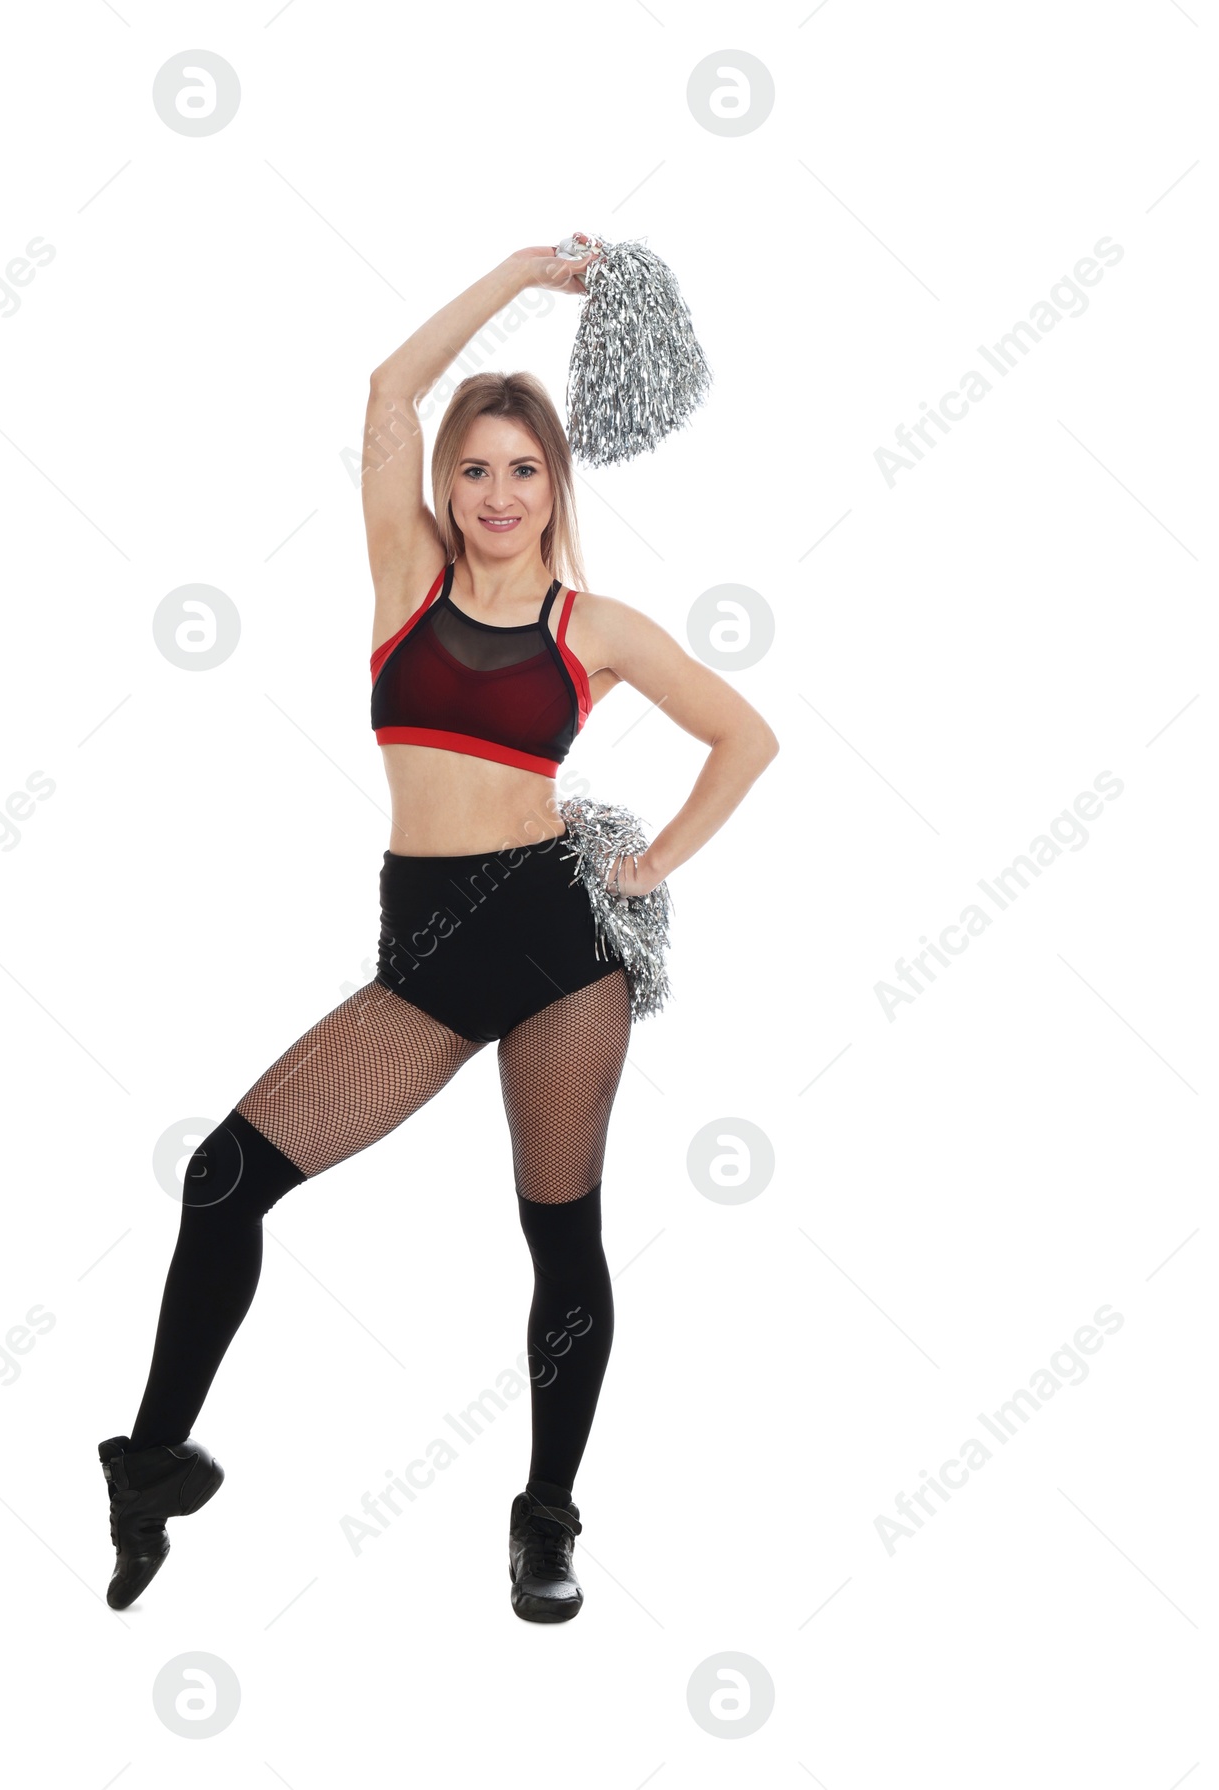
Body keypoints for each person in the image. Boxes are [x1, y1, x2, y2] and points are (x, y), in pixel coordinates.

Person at [97, 238, 780, 1621]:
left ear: (556, 487)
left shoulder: (597, 625)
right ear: (448, 486)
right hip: (426, 953)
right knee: (228, 1177)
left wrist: (645, 863)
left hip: (554, 944)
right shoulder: (404, 582)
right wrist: (525, 273)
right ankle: (152, 1461)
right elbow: (387, 391)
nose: (496, 492)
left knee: (561, 1234)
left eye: (523, 470)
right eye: (476, 467)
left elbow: (746, 736)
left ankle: (545, 1517)